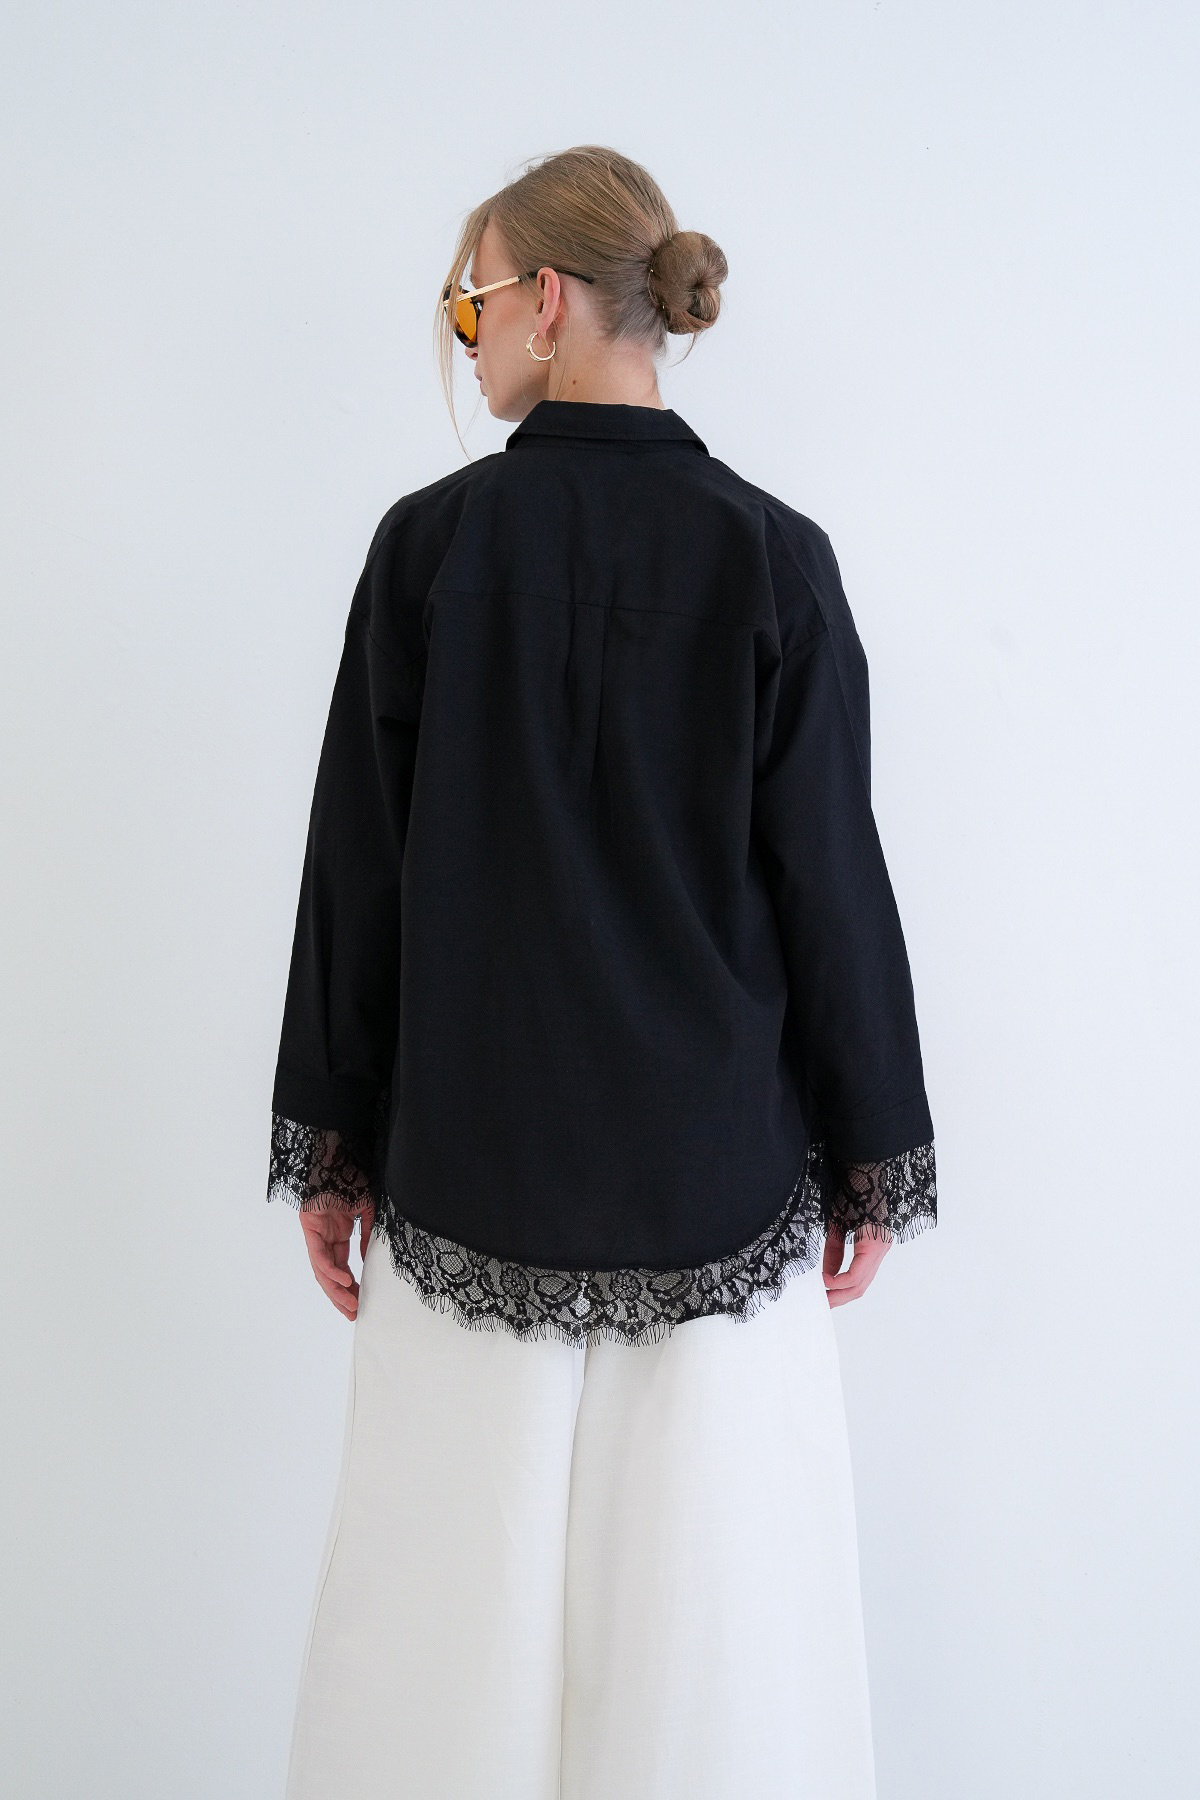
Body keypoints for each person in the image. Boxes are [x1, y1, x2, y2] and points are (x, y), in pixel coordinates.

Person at [266, 144, 937, 1800]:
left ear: (548, 302)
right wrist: (874, 1149)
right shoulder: (774, 558)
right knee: (716, 1660)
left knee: (444, 1648)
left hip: (466, 1176)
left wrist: (331, 1143)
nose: (466, 336)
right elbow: (831, 881)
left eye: (469, 303)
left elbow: (360, 874)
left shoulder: (428, 552)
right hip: (717, 1184)